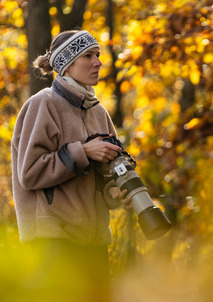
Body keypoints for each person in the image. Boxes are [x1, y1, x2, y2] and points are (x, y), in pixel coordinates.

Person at [11, 29, 131, 302]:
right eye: (88, 56)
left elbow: (106, 173)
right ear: (67, 63)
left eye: (98, 55)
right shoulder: (42, 105)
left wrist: (113, 193)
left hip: (96, 242)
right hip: (54, 243)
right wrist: (83, 151)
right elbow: (29, 173)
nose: (98, 62)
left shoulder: (99, 112)